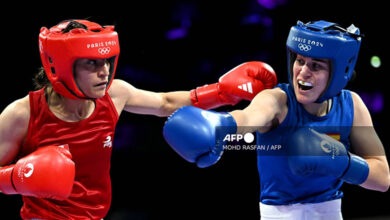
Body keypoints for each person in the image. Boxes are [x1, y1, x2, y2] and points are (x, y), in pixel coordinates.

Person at [0, 19, 277, 219]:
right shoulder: (22, 114)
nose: (104, 71)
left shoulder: (115, 95)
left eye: (107, 61)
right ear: (60, 66)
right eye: (92, 63)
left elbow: (165, 102)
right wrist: (16, 178)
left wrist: (221, 93)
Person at [163, 20, 390, 219]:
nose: (302, 72)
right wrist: (220, 127)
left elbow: (383, 179)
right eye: (299, 60)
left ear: (339, 73)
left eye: (316, 66)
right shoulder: (278, 100)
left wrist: (342, 161)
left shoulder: (352, 105)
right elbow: (248, 116)